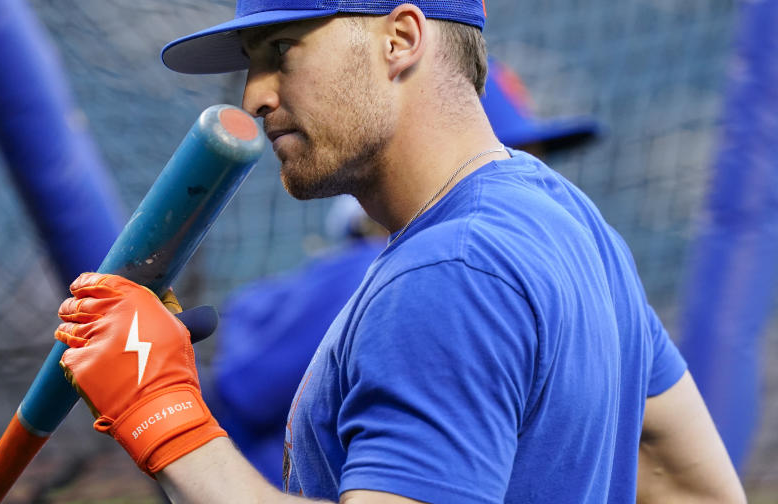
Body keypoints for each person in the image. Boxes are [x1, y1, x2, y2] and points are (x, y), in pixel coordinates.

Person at [54, 0, 746, 503]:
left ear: (401, 38)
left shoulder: (447, 274)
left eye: (283, 51)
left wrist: (163, 413)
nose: (255, 95)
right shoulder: (572, 223)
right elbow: (695, 489)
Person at [206, 57, 600, 488]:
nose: (529, 181)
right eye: (511, 159)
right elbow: (234, 395)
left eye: (534, 163)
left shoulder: (537, 266)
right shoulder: (417, 272)